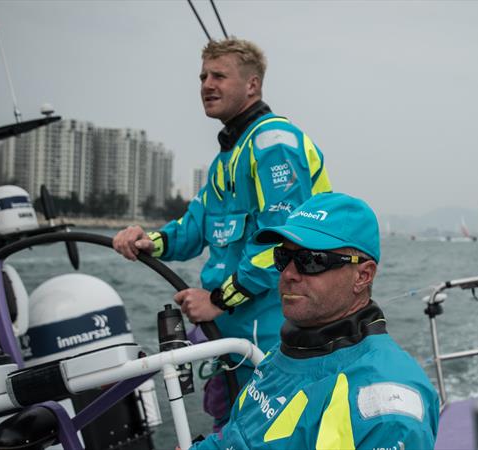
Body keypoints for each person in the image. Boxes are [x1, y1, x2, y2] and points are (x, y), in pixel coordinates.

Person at [113, 38, 332, 428]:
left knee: (269, 432)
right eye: (202, 76)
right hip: (232, 339)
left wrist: (217, 299)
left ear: (252, 85)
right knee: (228, 427)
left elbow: (280, 241)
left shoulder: (273, 144)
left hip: (271, 339)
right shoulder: (225, 160)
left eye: (219, 75)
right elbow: (193, 229)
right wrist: (150, 241)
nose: (206, 85)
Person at [188, 192, 440, 450]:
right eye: (282, 257)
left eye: (311, 260)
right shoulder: (287, 351)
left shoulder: (386, 410)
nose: (288, 274)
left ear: (363, 276)